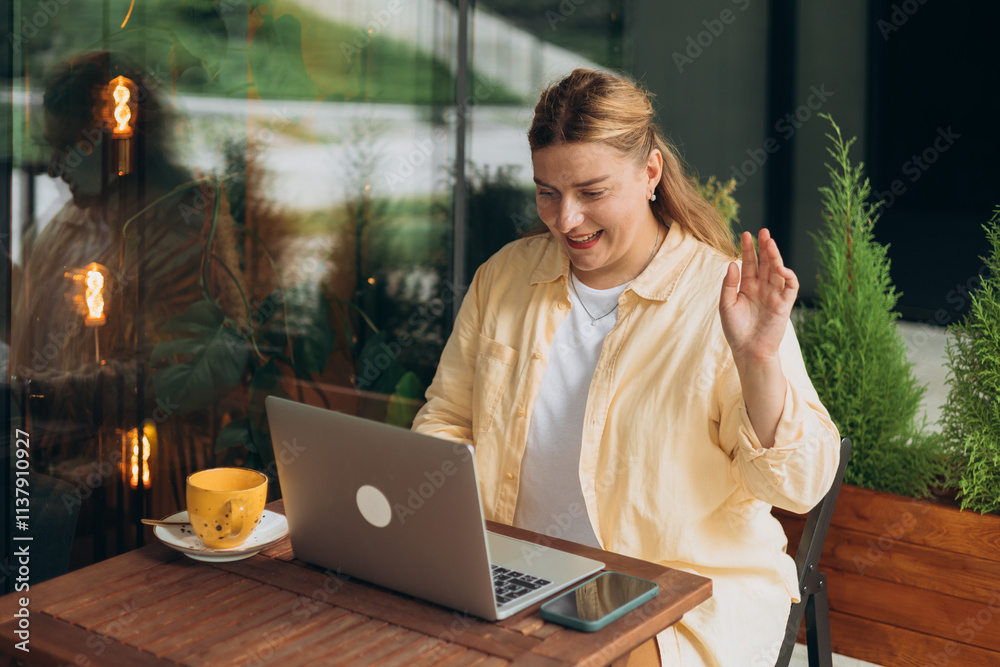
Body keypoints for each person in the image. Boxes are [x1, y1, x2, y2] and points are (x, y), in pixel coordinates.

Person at [411, 68, 841, 666]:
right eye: (547, 192)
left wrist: (760, 361)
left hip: (682, 592)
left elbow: (799, 488)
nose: (566, 220)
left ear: (650, 174)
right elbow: (448, 419)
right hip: (520, 573)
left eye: (591, 192)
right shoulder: (503, 278)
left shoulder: (724, 297)